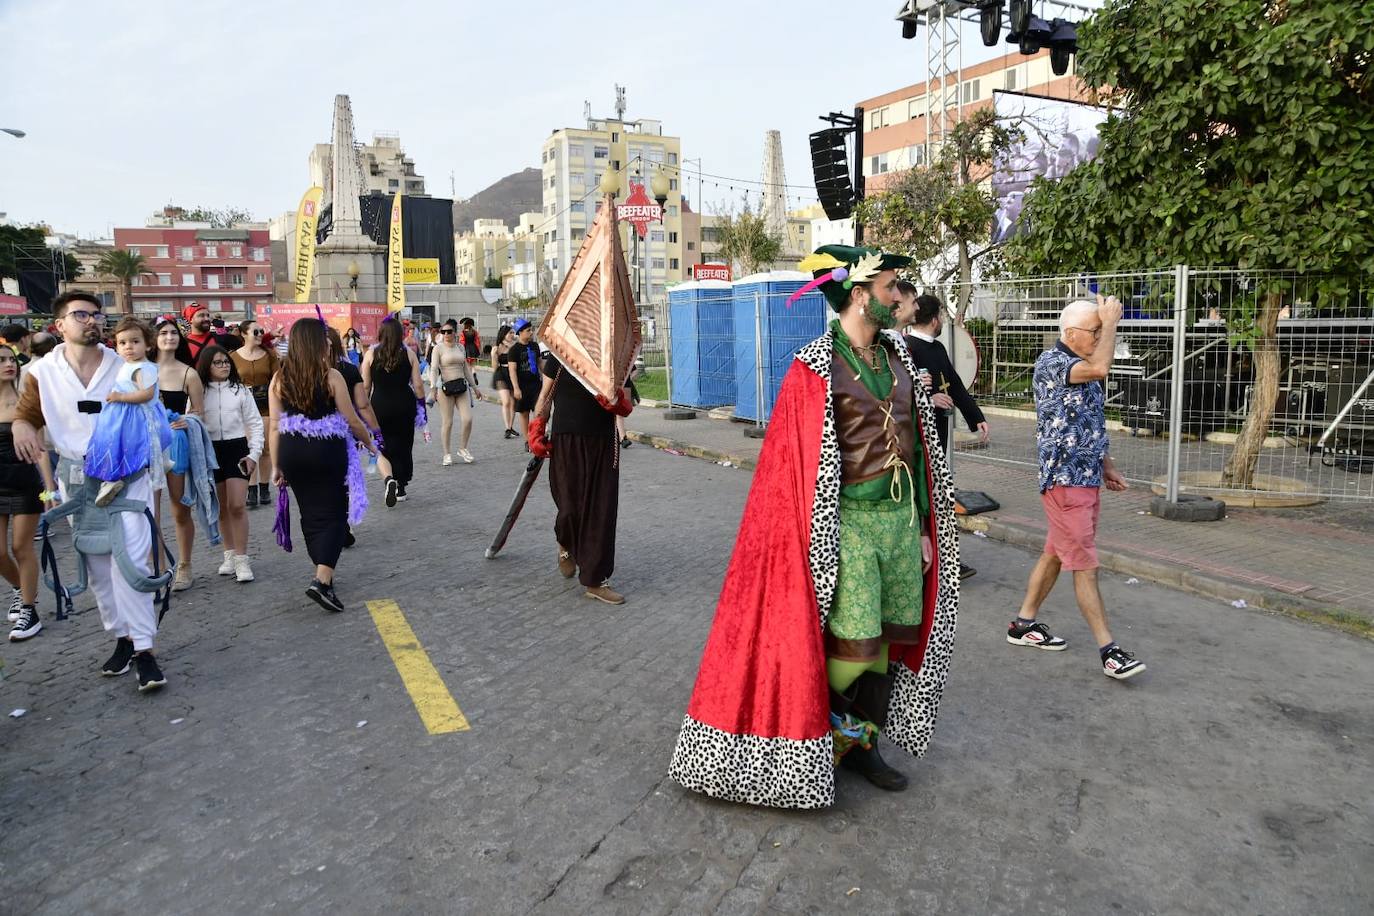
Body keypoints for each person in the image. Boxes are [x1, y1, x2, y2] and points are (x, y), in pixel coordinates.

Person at [669, 245, 960, 808]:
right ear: (858, 295)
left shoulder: (899, 356)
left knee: (888, 644)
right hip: (846, 524)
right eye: (889, 288)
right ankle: (814, 729)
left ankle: (865, 746)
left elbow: (921, 449)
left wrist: (926, 523)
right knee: (853, 648)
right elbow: (789, 467)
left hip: (900, 524)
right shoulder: (813, 367)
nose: (899, 297)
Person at [13, 293, 169, 691]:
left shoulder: (124, 361)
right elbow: (28, 412)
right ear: (59, 324)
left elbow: (152, 406)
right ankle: (123, 638)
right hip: (77, 476)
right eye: (80, 314)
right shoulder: (41, 371)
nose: (91, 321)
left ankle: (146, 649)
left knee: (130, 561)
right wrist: (21, 426)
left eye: (96, 314)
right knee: (98, 564)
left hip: (126, 474)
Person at [1010, 295, 1145, 680]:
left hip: (1083, 479)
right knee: (1084, 563)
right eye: (1095, 331)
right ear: (1070, 333)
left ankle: (1023, 624)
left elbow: (1087, 421)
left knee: (1056, 552)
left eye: (1101, 330)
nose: (1100, 335)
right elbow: (1102, 366)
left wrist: (1107, 465)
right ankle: (1109, 650)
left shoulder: (1081, 367)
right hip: (1065, 481)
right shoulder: (1054, 363)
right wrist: (1111, 322)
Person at [269, 318, 376, 612]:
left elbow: (275, 425)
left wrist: (277, 466)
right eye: (324, 338)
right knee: (334, 514)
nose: (329, 342)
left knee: (311, 513)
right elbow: (352, 419)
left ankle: (322, 569)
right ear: (315, 343)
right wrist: (370, 442)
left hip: (292, 452)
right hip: (326, 450)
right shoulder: (331, 377)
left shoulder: (279, 378)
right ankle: (323, 580)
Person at [896, 284, 990, 580]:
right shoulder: (905, 347)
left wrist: (976, 418)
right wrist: (929, 397)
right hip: (917, 439)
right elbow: (901, 393)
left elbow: (954, 385)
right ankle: (930, 563)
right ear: (934, 318)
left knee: (939, 500)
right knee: (927, 500)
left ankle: (943, 562)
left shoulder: (936, 348)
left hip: (940, 433)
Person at [529, 354, 631, 605]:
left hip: (604, 442)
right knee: (569, 508)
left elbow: (625, 399)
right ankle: (565, 541)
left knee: (600, 511)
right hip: (566, 440)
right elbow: (545, 396)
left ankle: (596, 580)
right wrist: (537, 428)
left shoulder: (612, 356)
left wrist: (616, 403)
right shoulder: (559, 354)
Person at [82, 318, 173, 508]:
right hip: (123, 414)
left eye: (135, 342)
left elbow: (147, 394)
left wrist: (119, 397)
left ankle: (115, 477)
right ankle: (113, 476)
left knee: (119, 444)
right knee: (113, 444)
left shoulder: (144, 367)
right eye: (122, 343)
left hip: (135, 417)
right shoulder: (127, 365)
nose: (128, 347)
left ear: (148, 345)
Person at [152, 316, 210, 592]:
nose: (169, 337)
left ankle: (184, 565)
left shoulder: (189, 373)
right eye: (163, 333)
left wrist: (188, 420)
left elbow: (200, 412)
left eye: (173, 333)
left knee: (179, 509)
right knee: (149, 513)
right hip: (146, 447)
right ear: (154, 338)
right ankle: (158, 567)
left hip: (175, 445)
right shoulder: (141, 370)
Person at [198, 345, 263, 583]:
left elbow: (256, 424)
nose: (224, 365)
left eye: (226, 361)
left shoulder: (241, 391)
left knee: (237, 505)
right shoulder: (199, 391)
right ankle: (229, 554)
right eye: (217, 362)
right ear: (207, 365)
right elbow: (192, 422)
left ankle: (243, 559)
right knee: (222, 507)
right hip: (211, 451)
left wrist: (254, 454)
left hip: (237, 449)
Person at [1, 347, 44, 641]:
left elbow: (41, 449)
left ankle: (29, 609)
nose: (8, 365)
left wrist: (50, 488)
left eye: (11, 360)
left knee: (21, 547)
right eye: (1, 361)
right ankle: (19, 588)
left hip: (24, 481)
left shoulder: (25, 402)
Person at [362, 318, 425, 507]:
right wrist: (421, 405)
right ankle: (401, 485)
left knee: (381, 443)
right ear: (400, 334)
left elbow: (365, 386)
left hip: (379, 405)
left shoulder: (371, 353)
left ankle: (389, 479)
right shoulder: (409, 354)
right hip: (404, 404)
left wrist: (362, 409)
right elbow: (419, 385)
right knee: (404, 444)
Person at [230, 319, 279, 509]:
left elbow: (277, 379)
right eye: (255, 332)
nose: (260, 335)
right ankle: (251, 489)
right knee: (249, 447)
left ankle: (264, 486)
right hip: (243, 407)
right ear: (244, 334)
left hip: (265, 404)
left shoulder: (269, 355)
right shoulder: (233, 357)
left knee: (265, 447)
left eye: (261, 332)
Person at [428, 324, 483, 465]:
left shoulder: (460, 347)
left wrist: (475, 388)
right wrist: (433, 388)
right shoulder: (438, 348)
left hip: (461, 387)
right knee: (448, 422)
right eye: (443, 332)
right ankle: (446, 454)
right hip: (445, 389)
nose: (446, 334)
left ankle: (463, 448)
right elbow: (433, 369)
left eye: (449, 331)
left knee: (468, 419)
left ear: (454, 332)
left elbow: (466, 369)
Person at [506, 319, 542, 443]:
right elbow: (512, 370)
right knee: (524, 413)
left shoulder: (534, 346)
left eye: (531, 330)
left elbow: (540, 363)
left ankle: (537, 437)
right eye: (528, 330)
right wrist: (516, 388)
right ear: (520, 332)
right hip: (522, 386)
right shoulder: (514, 350)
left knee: (539, 412)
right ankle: (528, 441)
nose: (531, 332)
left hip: (536, 384)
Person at [489, 325, 517, 438]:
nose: (512, 335)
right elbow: (494, 367)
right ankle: (507, 428)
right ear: (504, 334)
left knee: (513, 402)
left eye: (513, 333)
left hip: (513, 374)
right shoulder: (497, 347)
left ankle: (510, 427)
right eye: (510, 333)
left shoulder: (515, 346)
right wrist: (493, 356)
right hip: (501, 374)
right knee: (506, 401)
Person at [459, 317, 482, 382]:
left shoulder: (463, 333)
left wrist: (461, 350)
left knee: (468, 366)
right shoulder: (474, 332)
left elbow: (462, 342)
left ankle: (470, 380)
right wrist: (478, 349)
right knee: (473, 365)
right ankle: (474, 374)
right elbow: (477, 341)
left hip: (466, 349)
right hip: (473, 349)